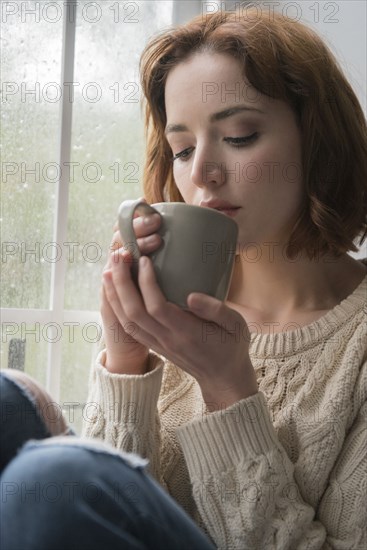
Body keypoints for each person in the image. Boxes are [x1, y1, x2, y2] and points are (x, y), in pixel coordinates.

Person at [1, 7, 366, 549]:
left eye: (240, 136)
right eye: (183, 148)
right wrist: (127, 357)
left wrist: (227, 387)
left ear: (318, 142)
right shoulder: (170, 312)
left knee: (52, 477)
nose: (200, 174)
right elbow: (112, 513)